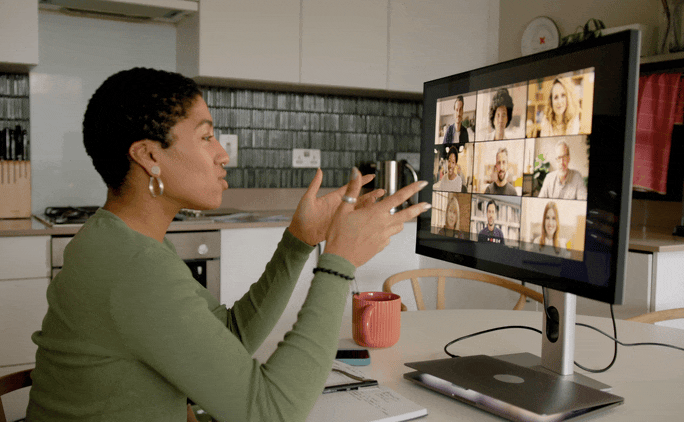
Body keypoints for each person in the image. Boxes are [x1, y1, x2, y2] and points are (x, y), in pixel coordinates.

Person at [25, 67, 430, 422]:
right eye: (206, 137)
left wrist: (298, 242)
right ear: (149, 155)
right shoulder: (132, 267)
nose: (223, 155)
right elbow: (271, 412)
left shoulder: (117, 238)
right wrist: (339, 262)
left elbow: (230, 335)